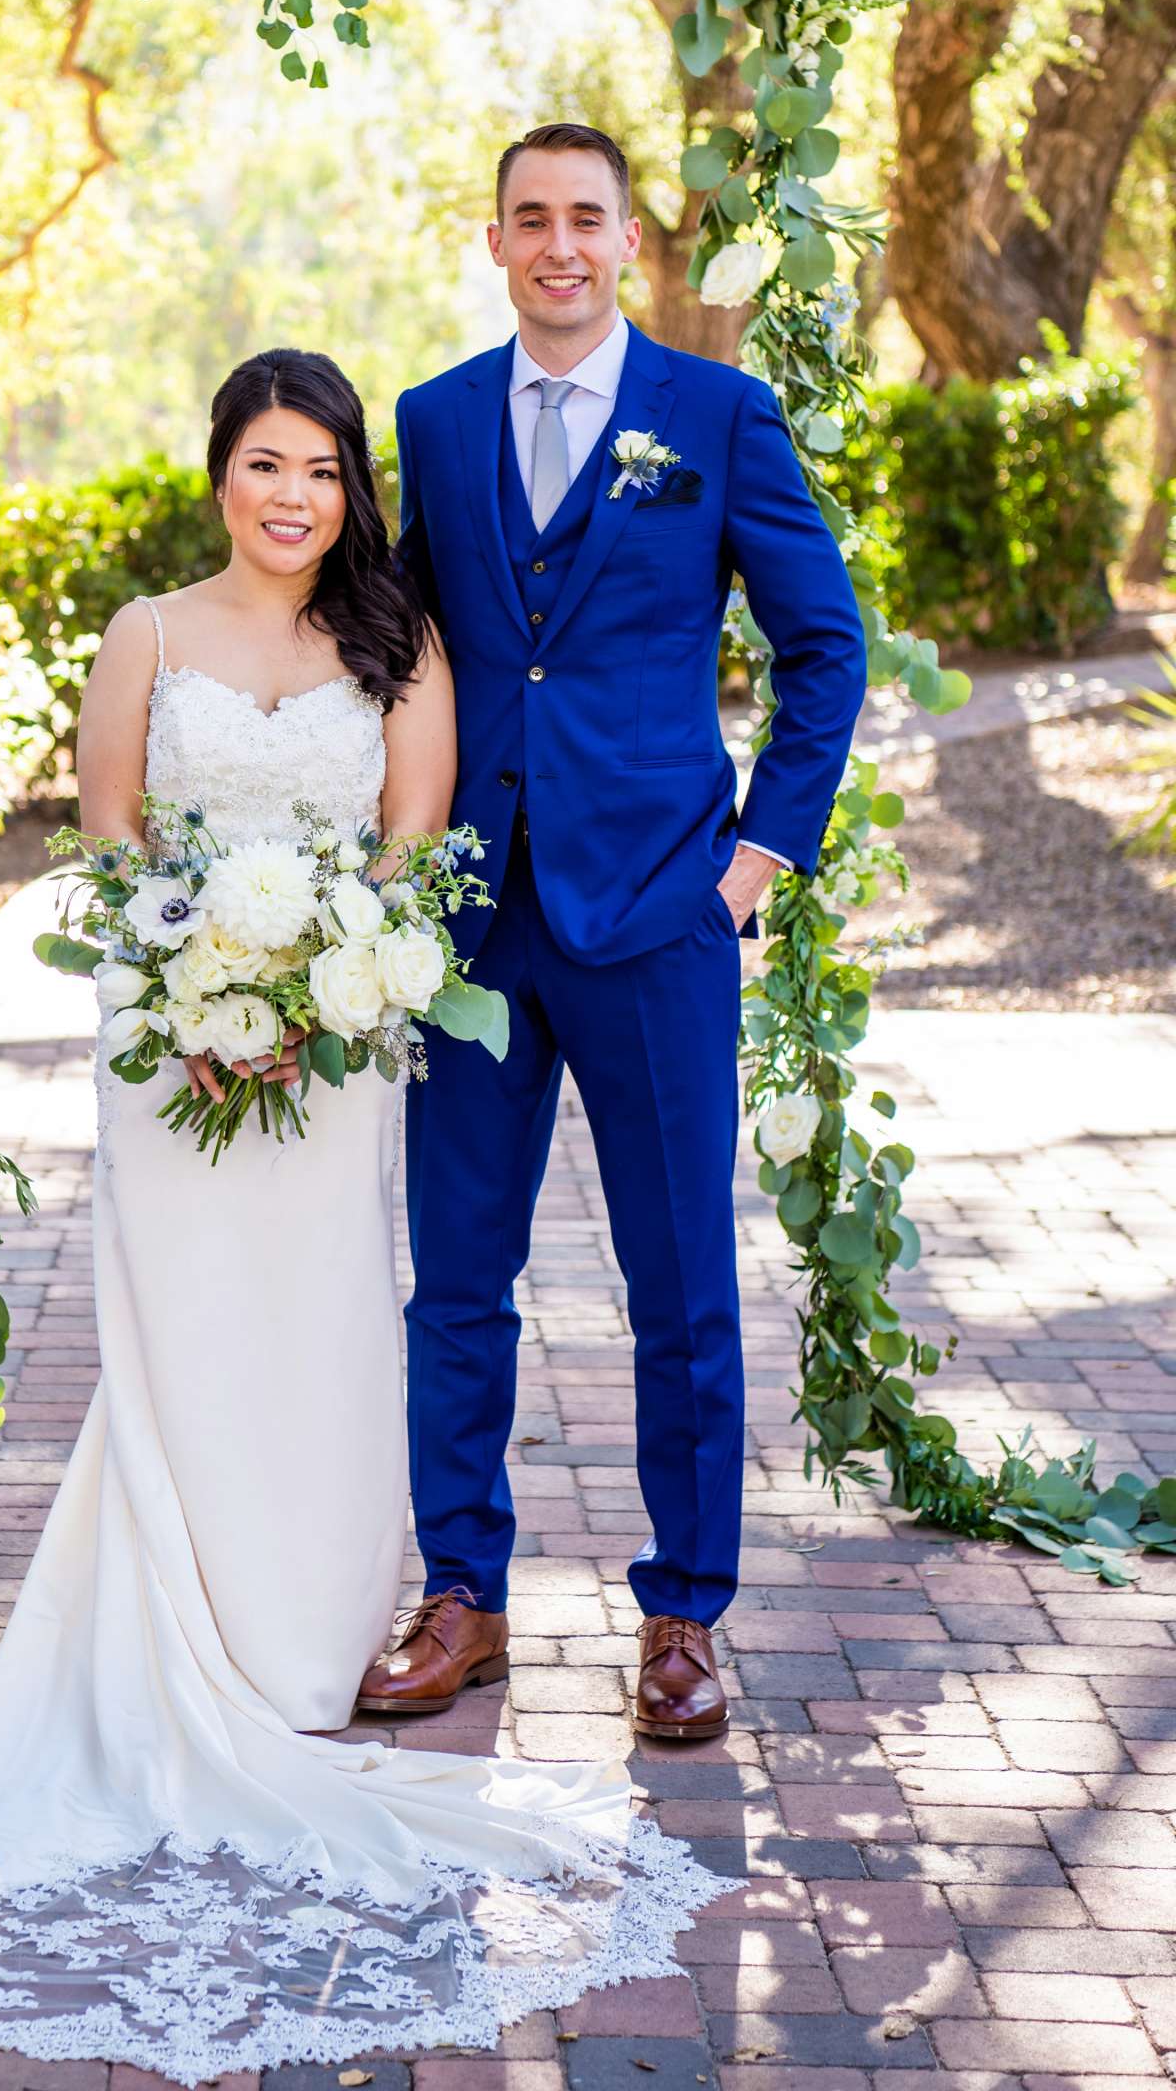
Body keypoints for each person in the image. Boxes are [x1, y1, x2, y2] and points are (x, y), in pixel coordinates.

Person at [0, 346, 727, 2081]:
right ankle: (178, 1640)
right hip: (170, 1054)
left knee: (342, 1327)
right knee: (184, 1345)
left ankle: (312, 1636)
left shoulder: (399, 645)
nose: (294, 497)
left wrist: (328, 982)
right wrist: (190, 987)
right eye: (267, 464)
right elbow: (111, 832)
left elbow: (417, 855)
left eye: (325, 472)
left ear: (356, 491)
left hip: (338, 1050)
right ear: (220, 473)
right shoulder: (145, 632)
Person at [360, 124, 867, 1742]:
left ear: (630, 242)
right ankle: (465, 1596)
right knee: (457, 1278)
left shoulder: (717, 416)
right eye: (531, 219)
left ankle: (683, 1618)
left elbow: (824, 649)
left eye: (588, 219)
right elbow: (403, 644)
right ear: (494, 239)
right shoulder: (434, 422)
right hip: (473, 929)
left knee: (680, 1285)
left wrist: (753, 869)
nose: (559, 245)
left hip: (658, 915)